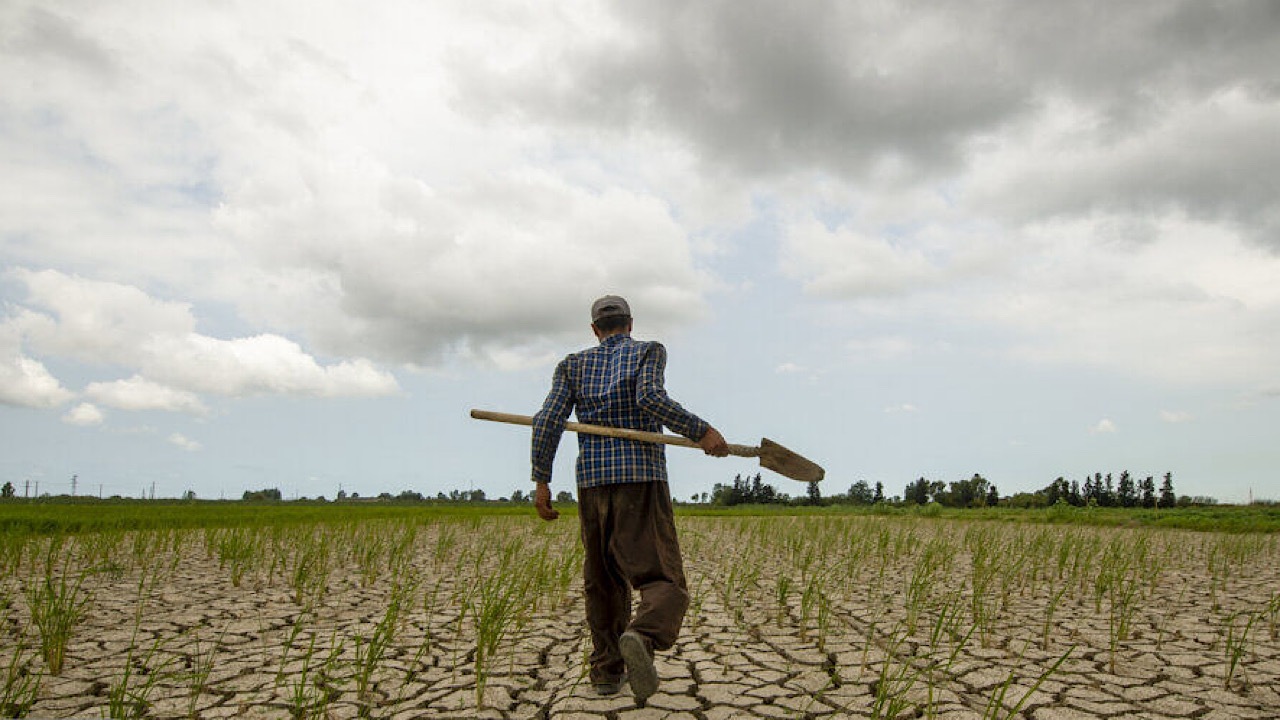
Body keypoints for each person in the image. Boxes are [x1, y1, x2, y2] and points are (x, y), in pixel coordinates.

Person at [530, 294, 729, 703]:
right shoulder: (648, 351)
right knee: (662, 577)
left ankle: (606, 673)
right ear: (630, 323)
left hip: (592, 485)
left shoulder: (571, 364)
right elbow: (649, 399)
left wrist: (541, 481)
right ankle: (642, 635)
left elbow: (548, 418)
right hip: (640, 479)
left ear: (594, 329)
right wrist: (701, 430)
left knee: (602, 580)